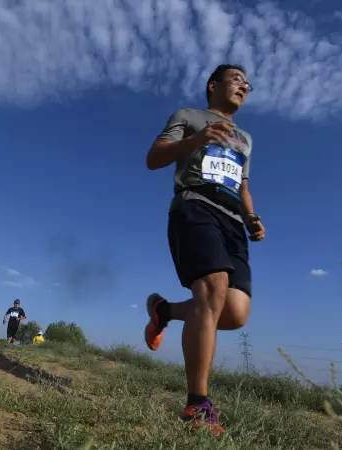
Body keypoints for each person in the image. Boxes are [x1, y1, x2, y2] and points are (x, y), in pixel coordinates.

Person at [143, 64, 265, 437]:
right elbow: (155, 157)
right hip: (195, 205)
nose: (244, 85)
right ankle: (198, 405)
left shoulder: (246, 138)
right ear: (214, 85)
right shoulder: (188, 116)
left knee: (234, 313)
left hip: (232, 221)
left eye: (247, 83)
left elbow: (242, 185)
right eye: (236, 79)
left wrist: (251, 217)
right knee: (211, 290)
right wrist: (198, 139)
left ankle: (164, 311)